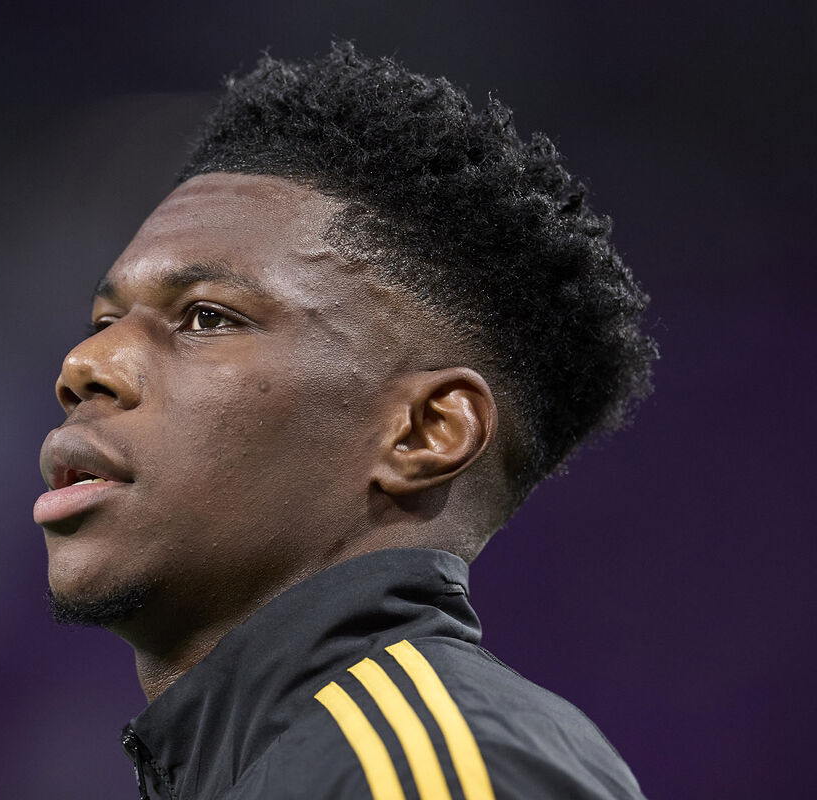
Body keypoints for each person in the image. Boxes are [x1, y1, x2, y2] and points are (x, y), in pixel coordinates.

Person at [33, 42, 656, 800]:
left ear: (425, 433)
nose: (84, 364)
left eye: (206, 317)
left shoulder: (425, 771)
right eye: (104, 321)